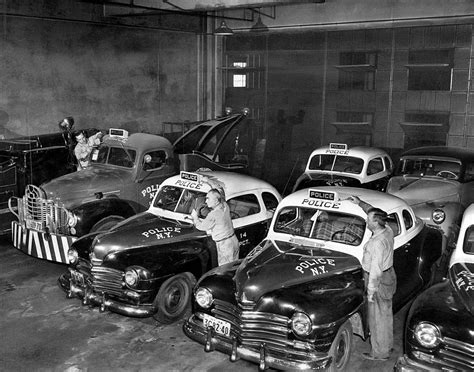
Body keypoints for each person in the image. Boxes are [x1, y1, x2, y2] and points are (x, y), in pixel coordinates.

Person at [349, 195, 397, 361]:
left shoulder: (377, 243)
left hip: (378, 280)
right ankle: (387, 346)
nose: (366, 221)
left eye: (369, 220)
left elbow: (375, 271)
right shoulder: (388, 229)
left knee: (376, 318)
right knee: (386, 314)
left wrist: (370, 292)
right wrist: (360, 202)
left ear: (376, 222)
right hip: (389, 274)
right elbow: (372, 210)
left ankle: (379, 353)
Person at [190, 188, 239, 266]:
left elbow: (201, 226)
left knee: (225, 270)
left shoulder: (213, 214)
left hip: (224, 245)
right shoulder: (224, 205)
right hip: (233, 240)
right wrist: (208, 181)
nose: (206, 201)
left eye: (208, 199)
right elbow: (219, 190)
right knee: (234, 266)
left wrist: (195, 217)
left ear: (216, 201)